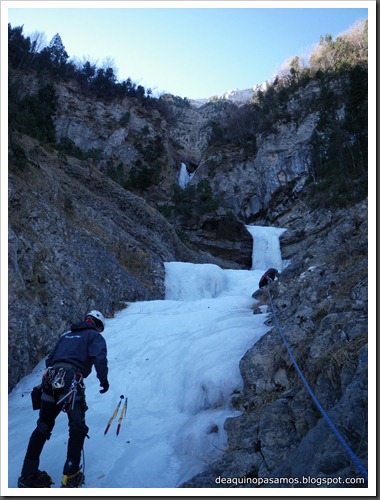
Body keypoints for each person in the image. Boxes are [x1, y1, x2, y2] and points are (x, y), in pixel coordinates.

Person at [18, 310, 109, 489]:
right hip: (71, 381)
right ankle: (71, 474)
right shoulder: (94, 336)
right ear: (98, 325)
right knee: (77, 427)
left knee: (43, 426)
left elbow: (50, 359)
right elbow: (100, 358)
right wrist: (103, 379)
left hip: (51, 379)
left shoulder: (66, 335)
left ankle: (28, 475)